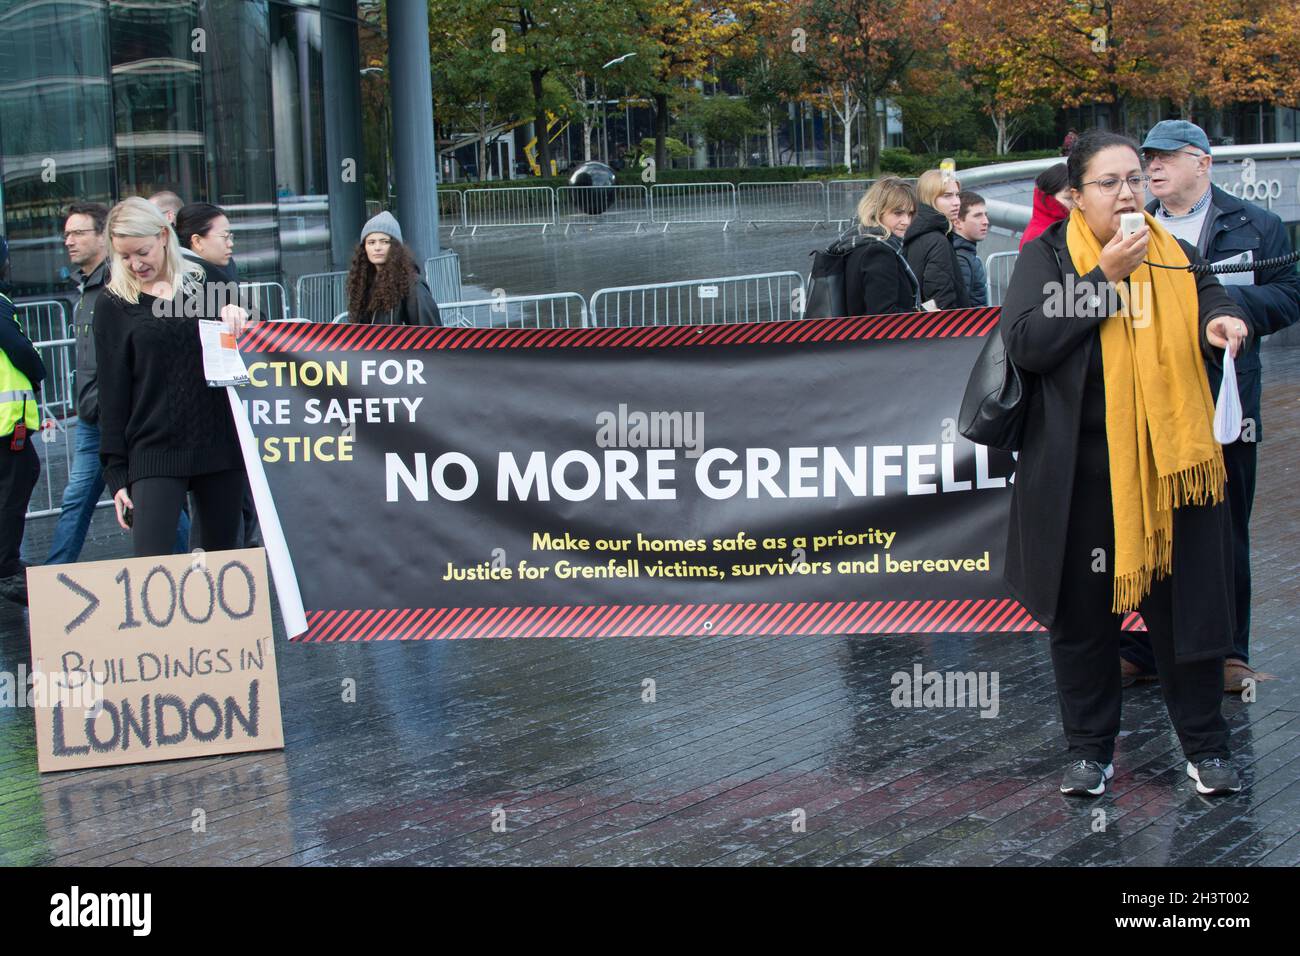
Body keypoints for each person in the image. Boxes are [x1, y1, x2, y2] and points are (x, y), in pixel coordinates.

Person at [1000, 129, 1249, 797]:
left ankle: (1207, 747)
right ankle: (1089, 751)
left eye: (1135, 178)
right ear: (1076, 198)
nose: (1127, 193)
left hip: (1175, 473)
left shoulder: (1175, 252)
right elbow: (1028, 342)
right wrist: (1105, 276)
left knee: (1188, 617)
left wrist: (1220, 324)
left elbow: (1209, 300)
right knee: (1084, 625)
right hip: (1083, 477)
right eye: (1109, 183)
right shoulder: (1048, 257)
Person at [1120, 120, 1300, 693]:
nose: (1154, 166)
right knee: (1154, 522)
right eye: (1149, 157)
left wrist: (1212, 301)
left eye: (1167, 157)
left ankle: (1227, 653)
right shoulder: (1131, 228)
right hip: (1152, 397)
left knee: (1225, 530)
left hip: (1226, 398)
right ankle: (1145, 647)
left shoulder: (1258, 225)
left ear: (1203, 163)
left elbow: (1289, 294)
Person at [94, 198, 248, 557]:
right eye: (124, 256)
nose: (135, 264)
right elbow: (112, 393)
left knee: (223, 567)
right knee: (152, 567)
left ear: (164, 236)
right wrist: (116, 474)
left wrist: (238, 312)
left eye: (142, 251)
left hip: (218, 442)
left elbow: (260, 331)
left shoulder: (206, 280)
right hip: (153, 449)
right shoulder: (114, 304)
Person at [43, 203, 193, 566]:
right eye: (66, 234)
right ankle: (54, 575)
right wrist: (117, 471)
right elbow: (105, 367)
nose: (69, 241)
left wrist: (237, 313)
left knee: (158, 514)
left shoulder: (186, 285)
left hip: (151, 425)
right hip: (108, 421)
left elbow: (247, 316)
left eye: (78, 232)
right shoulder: (99, 296)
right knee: (83, 499)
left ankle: (187, 568)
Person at [175, 202, 262, 550]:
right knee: (222, 523)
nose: (231, 243)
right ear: (196, 241)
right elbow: (256, 321)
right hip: (215, 417)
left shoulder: (194, 274)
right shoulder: (201, 276)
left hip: (193, 420)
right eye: (224, 236)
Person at [0, 238, 46, 605]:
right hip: (6, 423)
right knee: (14, 489)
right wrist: (38, 369)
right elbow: (19, 351)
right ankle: (6, 568)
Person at [344, 212, 442, 326]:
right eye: (371, 242)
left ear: (395, 247)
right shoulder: (363, 284)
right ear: (364, 248)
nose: (377, 248)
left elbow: (430, 332)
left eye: (384, 242)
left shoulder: (413, 285)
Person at [842, 177, 922, 317]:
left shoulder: (858, 241)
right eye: (898, 213)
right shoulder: (879, 252)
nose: (906, 221)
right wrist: (924, 315)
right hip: (881, 337)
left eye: (910, 213)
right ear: (877, 211)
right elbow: (885, 317)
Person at [904, 170, 971, 310]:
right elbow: (941, 299)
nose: (956, 202)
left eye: (957, 195)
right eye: (947, 196)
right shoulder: (936, 240)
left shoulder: (912, 229)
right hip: (943, 327)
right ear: (929, 198)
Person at [1020, 164, 1073, 250]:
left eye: (1078, 197)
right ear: (1048, 198)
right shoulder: (1038, 236)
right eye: (1068, 198)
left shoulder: (1065, 226)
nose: (1076, 204)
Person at [952, 190, 989, 307]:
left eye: (985, 215)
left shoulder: (965, 254)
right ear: (957, 223)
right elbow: (960, 308)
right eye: (978, 216)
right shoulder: (961, 259)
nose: (986, 222)